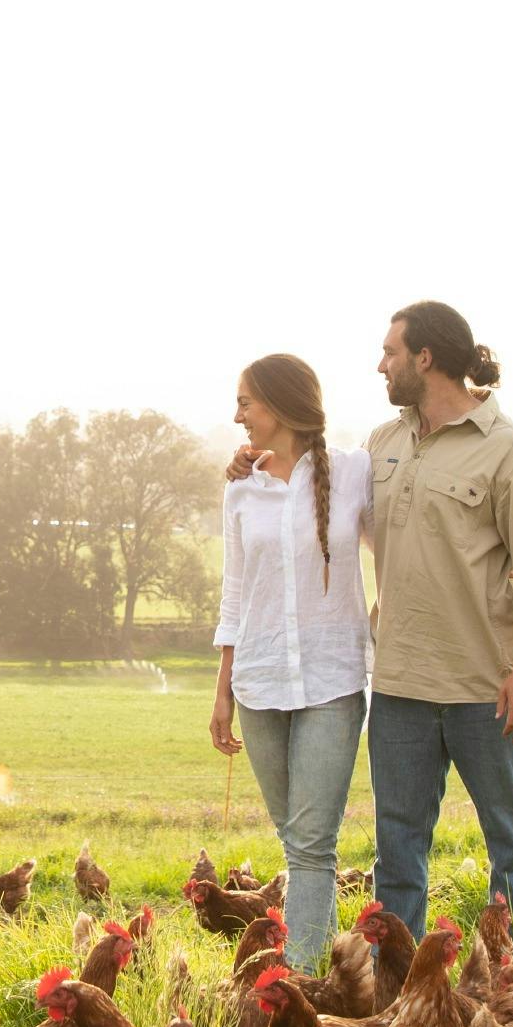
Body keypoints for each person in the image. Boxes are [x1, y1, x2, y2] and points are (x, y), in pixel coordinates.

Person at [230, 300, 513, 946]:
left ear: (425, 357)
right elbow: (313, 492)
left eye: (390, 352)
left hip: (484, 687)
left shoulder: (511, 452)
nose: (380, 365)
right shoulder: (381, 447)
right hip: (399, 687)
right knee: (398, 851)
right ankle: (396, 994)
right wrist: (252, 464)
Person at [210, 354, 371, 972]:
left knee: (310, 846)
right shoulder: (240, 488)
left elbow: (401, 548)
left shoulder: (355, 472)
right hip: (258, 683)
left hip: (332, 683)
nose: (237, 415)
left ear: (279, 405)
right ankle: (317, 969)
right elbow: (234, 591)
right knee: (294, 839)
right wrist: (223, 689)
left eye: (246, 402)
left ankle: (306, 982)